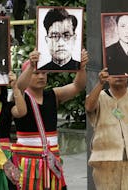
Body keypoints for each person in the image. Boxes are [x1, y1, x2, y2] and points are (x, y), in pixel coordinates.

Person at [12, 48, 88, 190]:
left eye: (44, 73)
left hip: (51, 161)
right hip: (27, 162)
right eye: (36, 73)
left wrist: (81, 68)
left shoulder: (53, 94)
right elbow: (19, 86)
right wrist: (31, 66)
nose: (41, 76)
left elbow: (78, 86)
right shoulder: (19, 97)